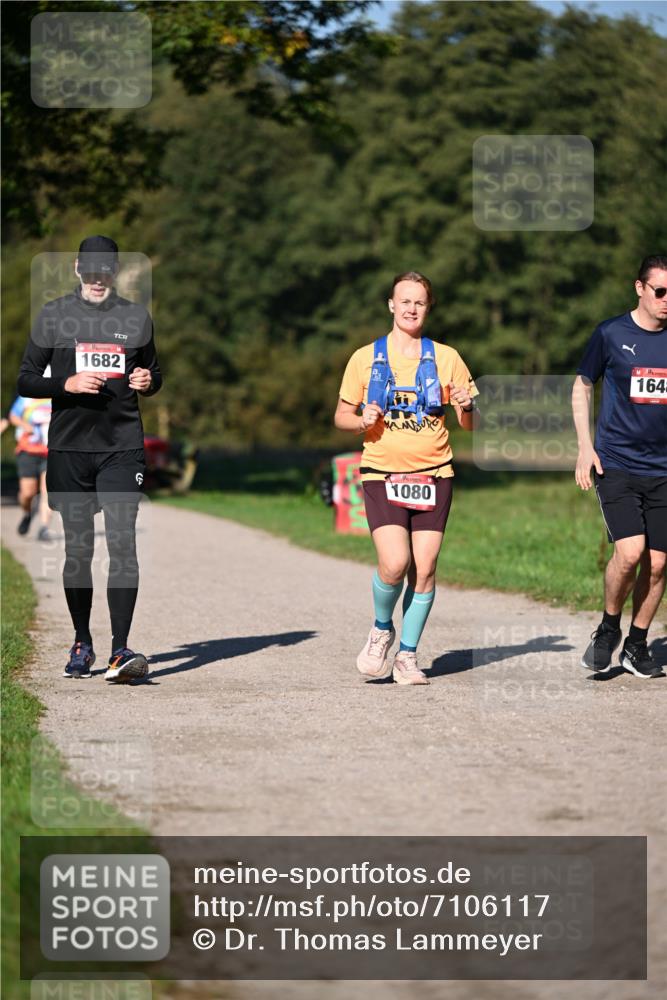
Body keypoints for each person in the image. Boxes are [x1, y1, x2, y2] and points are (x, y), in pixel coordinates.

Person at [17, 235, 162, 682]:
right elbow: (26, 379)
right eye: (91, 270)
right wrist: (67, 384)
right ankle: (82, 641)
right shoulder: (54, 316)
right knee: (79, 549)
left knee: (123, 544)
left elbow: (154, 372)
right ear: (78, 268)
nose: (98, 278)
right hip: (70, 448)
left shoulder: (136, 317)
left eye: (106, 271)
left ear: (114, 272)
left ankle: (121, 650)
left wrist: (146, 379)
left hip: (121, 446)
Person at [334, 271, 479, 685]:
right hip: (382, 472)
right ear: (391, 306)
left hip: (435, 473)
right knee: (395, 563)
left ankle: (407, 658)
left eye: (420, 302)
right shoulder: (365, 358)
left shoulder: (448, 357)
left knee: (426, 567)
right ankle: (382, 629)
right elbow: (341, 416)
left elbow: (470, 424)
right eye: (405, 301)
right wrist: (360, 418)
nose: (412, 308)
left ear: (427, 308)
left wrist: (467, 406)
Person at [573, 254, 667, 679]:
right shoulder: (611, 334)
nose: (666, 300)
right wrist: (583, 447)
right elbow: (582, 384)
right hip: (617, 462)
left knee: (661, 562)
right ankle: (609, 627)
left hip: (664, 469)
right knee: (630, 553)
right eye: (660, 291)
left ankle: (636, 644)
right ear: (639, 288)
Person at [9, 391, 52, 540]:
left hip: (50, 451)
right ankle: (27, 512)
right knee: (28, 493)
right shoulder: (26, 398)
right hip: (28, 450)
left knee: (47, 491)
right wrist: (24, 425)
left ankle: (44, 528)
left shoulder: (57, 396)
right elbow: (13, 416)